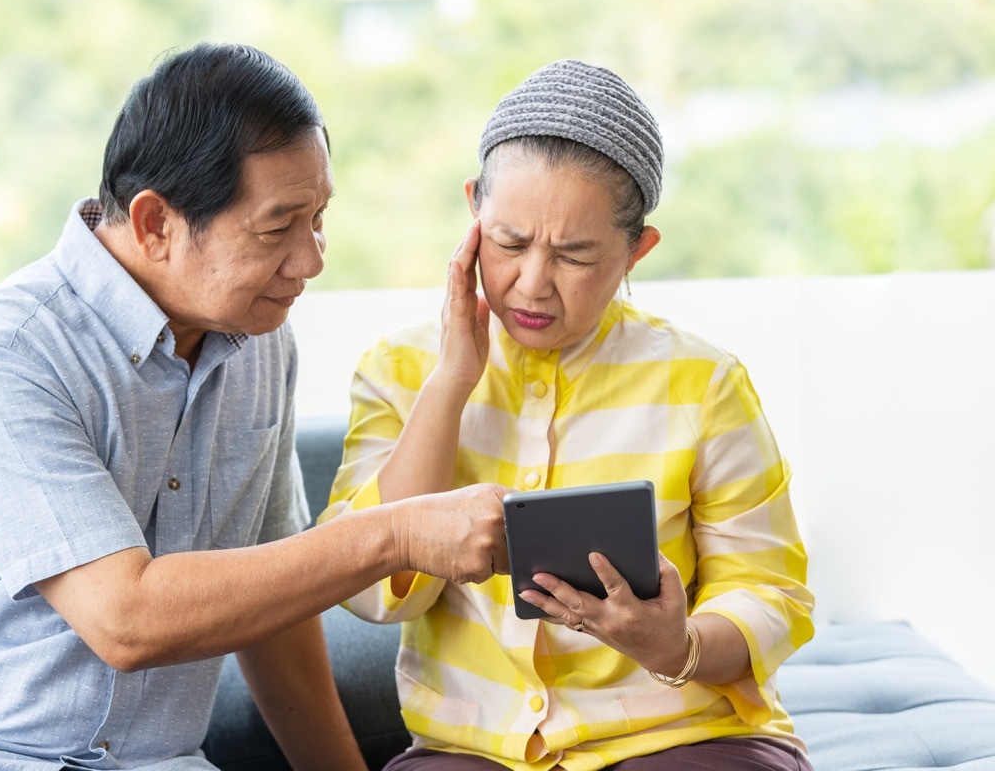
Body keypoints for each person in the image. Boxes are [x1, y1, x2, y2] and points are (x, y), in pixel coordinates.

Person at [0, 42, 511, 771]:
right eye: (278, 228)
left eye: (319, 218)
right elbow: (126, 619)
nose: (311, 261)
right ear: (154, 224)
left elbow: (273, 612)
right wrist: (393, 535)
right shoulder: (5, 358)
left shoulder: (258, 338)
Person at [319, 60, 815, 770]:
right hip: (471, 751)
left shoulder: (705, 382)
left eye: (576, 255)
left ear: (636, 251)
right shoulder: (399, 372)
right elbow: (374, 596)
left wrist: (678, 645)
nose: (532, 283)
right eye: (510, 242)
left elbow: (772, 592)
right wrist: (454, 379)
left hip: (682, 738)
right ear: (473, 212)